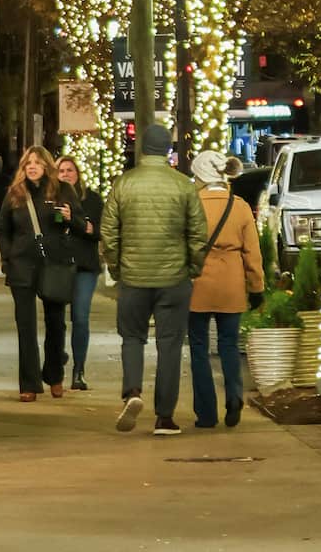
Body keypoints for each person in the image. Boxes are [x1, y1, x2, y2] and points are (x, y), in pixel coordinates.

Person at [100, 124, 207, 436]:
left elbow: (108, 233)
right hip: (174, 278)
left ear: (143, 149)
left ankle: (132, 392)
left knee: (132, 338)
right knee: (170, 345)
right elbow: (198, 234)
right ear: (168, 151)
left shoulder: (124, 184)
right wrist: (192, 268)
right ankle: (165, 417)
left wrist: (117, 268)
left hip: (133, 278)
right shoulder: (183, 186)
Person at [0, 146, 85, 401]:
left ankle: (54, 375)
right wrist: (8, 255)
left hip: (53, 264)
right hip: (22, 265)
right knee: (25, 326)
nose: (32, 166)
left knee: (56, 323)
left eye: (37, 162)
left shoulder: (62, 190)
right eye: (28, 163)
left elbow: (81, 227)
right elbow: (3, 228)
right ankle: (29, 383)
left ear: (47, 166)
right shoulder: (15, 194)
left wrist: (70, 218)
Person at [187, 151, 264, 429]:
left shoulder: (192, 204)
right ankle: (234, 396)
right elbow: (252, 253)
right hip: (231, 281)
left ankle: (206, 413)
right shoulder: (240, 207)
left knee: (198, 347)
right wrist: (256, 287)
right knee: (229, 344)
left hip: (198, 283)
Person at [55, 155, 104, 391]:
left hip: (84, 265)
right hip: (57, 265)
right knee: (56, 318)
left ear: (78, 174)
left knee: (80, 317)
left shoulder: (91, 199)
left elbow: (94, 231)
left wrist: (71, 219)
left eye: (69, 170)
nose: (65, 174)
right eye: (61, 170)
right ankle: (59, 356)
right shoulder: (50, 199)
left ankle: (79, 370)